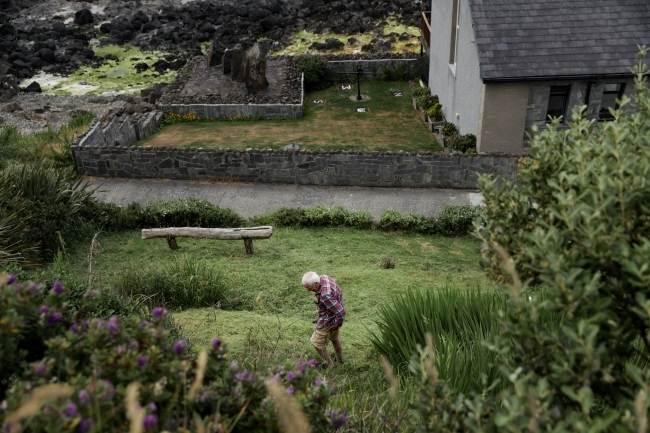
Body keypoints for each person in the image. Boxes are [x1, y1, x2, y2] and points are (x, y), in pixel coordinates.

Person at [302, 271, 346, 367]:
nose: (309, 291)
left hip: (328, 320)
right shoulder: (324, 277)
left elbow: (341, 312)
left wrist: (336, 325)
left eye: (309, 288)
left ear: (316, 283)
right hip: (334, 315)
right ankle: (340, 360)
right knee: (334, 338)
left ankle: (331, 366)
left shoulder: (325, 295)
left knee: (316, 343)